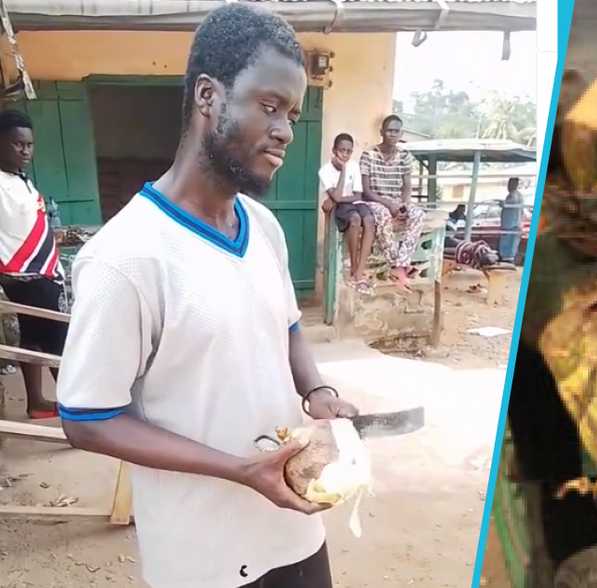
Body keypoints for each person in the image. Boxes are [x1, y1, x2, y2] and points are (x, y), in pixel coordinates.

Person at [54, 5, 359, 588]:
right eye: (269, 106)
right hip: (204, 554)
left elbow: (288, 326)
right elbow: (88, 419)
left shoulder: (263, 228)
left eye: (293, 114)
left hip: (294, 526)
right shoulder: (126, 257)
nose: (286, 131)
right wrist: (241, 470)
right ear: (207, 96)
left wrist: (317, 391)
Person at [0, 109, 66, 419]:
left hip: (41, 273)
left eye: (29, 145)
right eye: (17, 144)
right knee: (57, 341)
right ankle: (78, 407)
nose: (25, 151)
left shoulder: (22, 181)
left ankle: (37, 401)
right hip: (24, 274)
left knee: (33, 338)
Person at [359, 114, 425, 287]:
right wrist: (389, 205)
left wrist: (403, 205)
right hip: (374, 201)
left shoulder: (405, 156)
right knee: (382, 214)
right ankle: (396, 264)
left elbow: (407, 186)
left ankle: (402, 263)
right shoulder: (369, 155)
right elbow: (366, 191)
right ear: (382, 132)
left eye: (396, 131)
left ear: (401, 134)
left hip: (396, 201)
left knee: (418, 214)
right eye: (389, 131)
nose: (393, 134)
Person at [318, 132, 373, 285]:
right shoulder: (325, 171)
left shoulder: (354, 166)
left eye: (349, 151)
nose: (345, 155)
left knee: (369, 220)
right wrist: (343, 172)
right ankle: (354, 266)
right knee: (355, 219)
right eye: (342, 150)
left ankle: (360, 269)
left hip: (353, 203)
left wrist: (337, 199)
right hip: (342, 208)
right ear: (334, 150)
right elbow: (334, 196)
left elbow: (357, 196)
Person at [498, 177, 524, 262]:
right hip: (515, 224)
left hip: (510, 225)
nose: (508, 186)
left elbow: (507, 204)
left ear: (515, 185)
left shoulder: (513, 196)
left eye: (510, 184)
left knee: (508, 245)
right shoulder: (519, 195)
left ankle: (506, 260)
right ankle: (508, 259)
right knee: (512, 245)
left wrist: (502, 203)